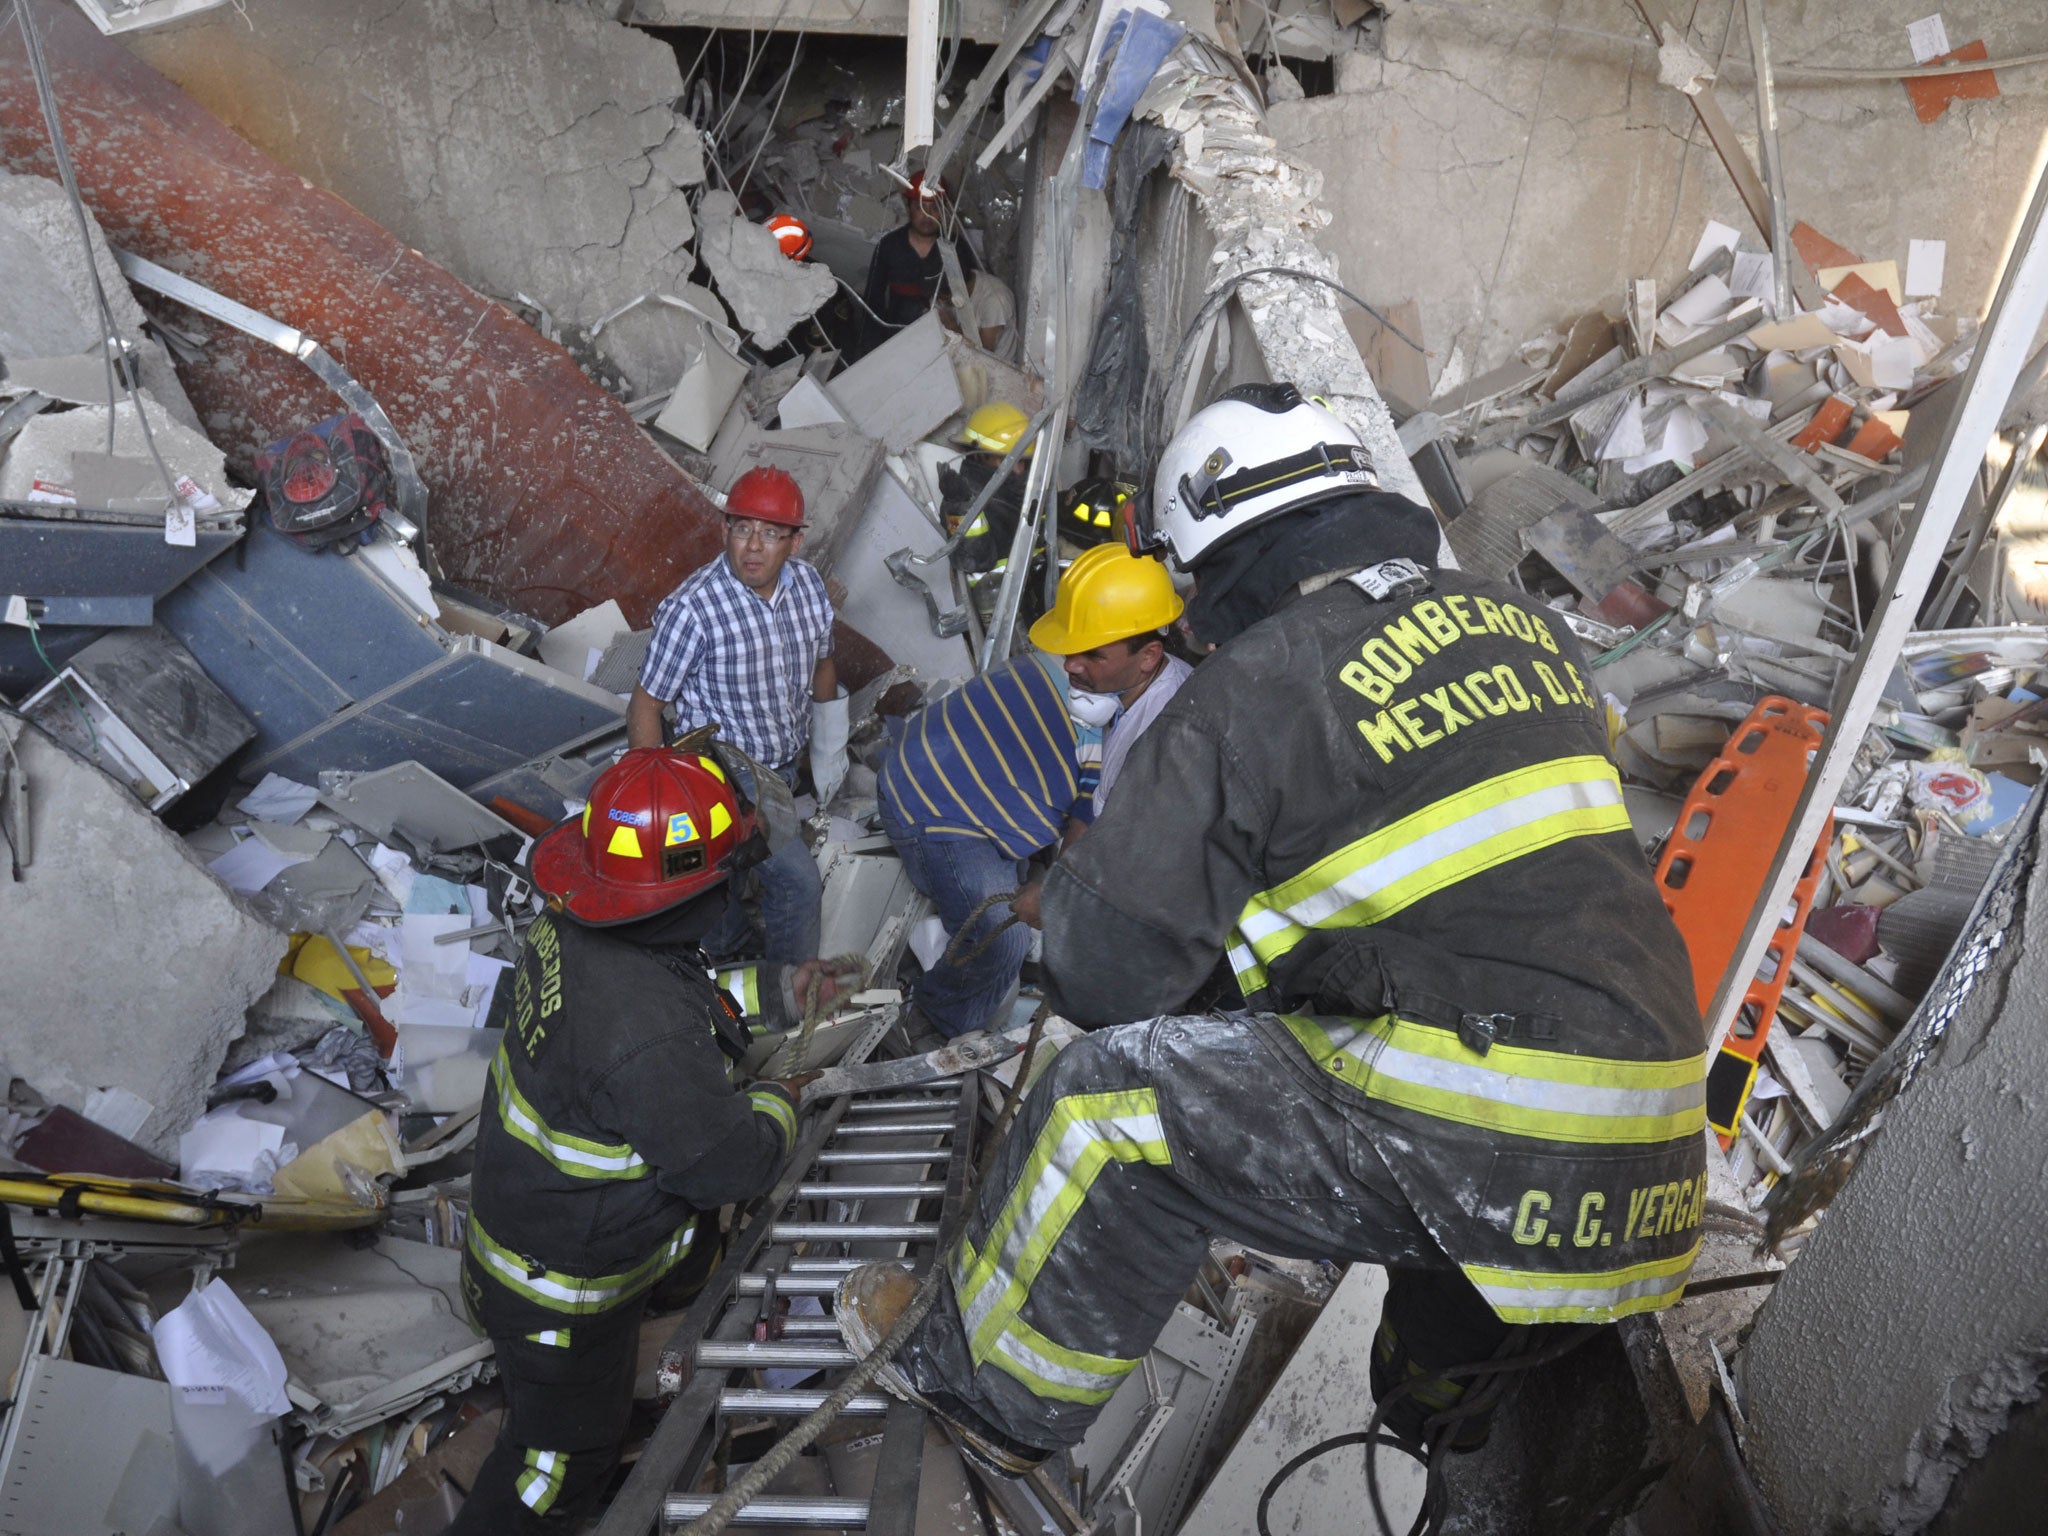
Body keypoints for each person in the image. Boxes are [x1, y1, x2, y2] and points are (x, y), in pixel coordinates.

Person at [836, 382, 1708, 1479]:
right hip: (1657, 1147)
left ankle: (987, 1390)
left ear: (1218, 562)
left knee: (1104, 1104)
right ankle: (1437, 1408)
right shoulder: (1528, 631)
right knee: (1430, 1201)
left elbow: (1106, 971)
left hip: (1496, 1100)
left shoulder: (1254, 679)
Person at [452, 747, 851, 1533]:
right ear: (695, 893)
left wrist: (778, 991)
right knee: (560, 1464)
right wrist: (779, 1099)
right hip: (559, 1295)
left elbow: (680, 1004)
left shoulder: (584, 932)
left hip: (521, 1230)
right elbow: (728, 1164)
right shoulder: (642, 1029)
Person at [877, 544, 1185, 1042]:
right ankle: (933, 1020)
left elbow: (1093, 822)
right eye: (1073, 650)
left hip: (952, 771)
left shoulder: (1153, 729)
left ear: (1150, 656)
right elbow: (1088, 827)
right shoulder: (1117, 684)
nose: (1072, 666)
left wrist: (1057, 893)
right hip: (930, 801)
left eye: (1092, 655)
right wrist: (1054, 898)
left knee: (1028, 899)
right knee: (1005, 941)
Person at [628, 466, 843, 963]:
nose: (753, 546)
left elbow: (825, 663)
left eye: (771, 534)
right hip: (725, 774)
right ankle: (787, 998)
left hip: (782, 766)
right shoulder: (694, 609)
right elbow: (647, 703)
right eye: (742, 528)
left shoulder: (809, 588)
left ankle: (729, 952)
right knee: (797, 886)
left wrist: (825, 749)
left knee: (729, 878)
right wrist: (663, 797)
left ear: (795, 542)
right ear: (724, 530)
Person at [859, 171, 979, 357]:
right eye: (919, 207)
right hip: (898, 337)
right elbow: (872, 302)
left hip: (943, 344)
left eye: (934, 208)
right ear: (909, 208)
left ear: (944, 210)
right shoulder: (889, 246)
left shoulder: (956, 248)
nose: (927, 215)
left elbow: (971, 300)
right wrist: (874, 350)